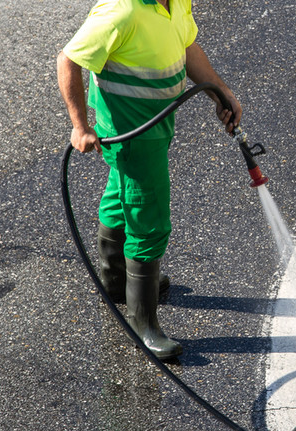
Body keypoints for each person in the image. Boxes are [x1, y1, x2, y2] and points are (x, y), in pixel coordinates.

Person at [57, 0, 241, 360]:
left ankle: (116, 282)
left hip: (154, 126)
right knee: (149, 222)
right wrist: (80, 126)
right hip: (132, 134)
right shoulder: (122, 11)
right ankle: (144, 325)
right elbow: (68, 59)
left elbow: (186, 46)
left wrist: (220, 91)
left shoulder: (175, 2)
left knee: (120, 194)